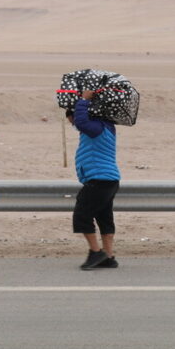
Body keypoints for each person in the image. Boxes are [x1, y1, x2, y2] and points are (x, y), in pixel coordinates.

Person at [66, 90, 120, 270]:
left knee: (82, 216)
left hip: (99, 180)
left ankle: (96, 252)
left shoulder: (95, 128)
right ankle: (109, 256)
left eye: (70, 118)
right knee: (104, 218)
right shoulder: (106, 127)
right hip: (108, 180)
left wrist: (83, 100)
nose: (72, 122)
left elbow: (81, 121)